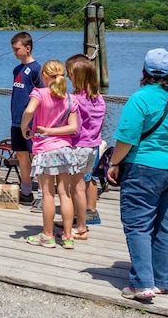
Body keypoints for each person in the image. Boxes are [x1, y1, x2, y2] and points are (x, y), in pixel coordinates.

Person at [106, 48, 168, 304]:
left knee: (138, 225)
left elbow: (126, 138)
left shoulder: (139, 100)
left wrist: (114, 163)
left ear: (144, 71)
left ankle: (142, 284)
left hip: (143, 168)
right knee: (167, 226)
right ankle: (161, 282)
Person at [21, 58, 79, 249]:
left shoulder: (39, 93)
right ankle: (68, 236)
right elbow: (73, 127)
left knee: (47, 194)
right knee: (65, 193)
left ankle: (47, 235)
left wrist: (24, 127)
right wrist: (54, 131)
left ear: (44, 76)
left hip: (45, 150)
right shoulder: (70, 99)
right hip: (65, 150)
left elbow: (29, 110)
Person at [65, 54, 107, 233]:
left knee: (76, 188)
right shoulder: (99, 99)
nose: (68, 77)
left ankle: (80, 226)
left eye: (71, 74)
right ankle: (75, 220)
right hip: (93, 147)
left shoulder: (75, 99)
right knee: (83, 183)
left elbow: (73, 127)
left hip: (78, 147)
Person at [9, 31, 43, 205]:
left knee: (36, 156)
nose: (14, 52)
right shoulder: (17, 69)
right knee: (22, 155)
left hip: (31, 122)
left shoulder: (36, 70)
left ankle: (42, 195)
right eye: (13, 49)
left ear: (27, 48)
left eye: (17, 49)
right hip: (16, 120)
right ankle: (26, 191)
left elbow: (43, 95)